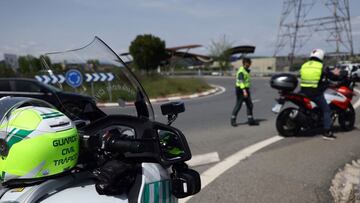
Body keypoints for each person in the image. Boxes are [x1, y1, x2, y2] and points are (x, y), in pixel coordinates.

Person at [300, 49, 338, 140]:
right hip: (314, 93)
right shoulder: (321, 66)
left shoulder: (304, 65)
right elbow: (331, 76)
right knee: (327, 110)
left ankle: (304, 123)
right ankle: (327, 132)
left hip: (302, 91)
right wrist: (336, 75)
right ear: (321, 56)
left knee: (303, 107)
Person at [231, 58, 259, 127]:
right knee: (238, 105)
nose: (249, 64)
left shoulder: (246, 71)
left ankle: (250, 120)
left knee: (250, 105)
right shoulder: (241, 71)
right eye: (248, 63)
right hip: (241, 89)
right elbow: (241, 81)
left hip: (245, 89)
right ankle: (233, 120)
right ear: (244, 63)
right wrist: (244, 91)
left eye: (250, 63)